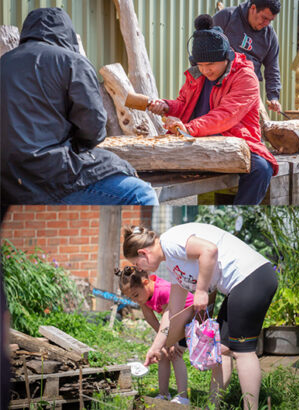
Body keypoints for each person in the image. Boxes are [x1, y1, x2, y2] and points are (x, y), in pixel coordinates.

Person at [0, 8, 158, 206]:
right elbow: (94, 129)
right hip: (49, 177)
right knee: (140, 194)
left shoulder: (4, 62)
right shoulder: (72, 62)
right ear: (66, 33)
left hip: (7, 182)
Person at [122, 223, 278, 410]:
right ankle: (213, 405)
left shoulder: (170, 241)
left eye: (137, 264)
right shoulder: (172, 264)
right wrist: (157, 346)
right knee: (222, 349)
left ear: (143, 253)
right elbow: (173, 311)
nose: (139, 269)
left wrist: (201, 291)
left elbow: (209, 250)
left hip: (251, 277)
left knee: (242, 351)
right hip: (239, 286)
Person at [148, 14, 278, 205]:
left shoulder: (245, 77)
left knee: (261, 169)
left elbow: (226, 116)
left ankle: (241, 210)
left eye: (210, 65)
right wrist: (166, 106)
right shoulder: (197, 75)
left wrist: (188, 128)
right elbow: (184, 104)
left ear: (226, 58)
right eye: (200, 65)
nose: (205, 70)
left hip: (235, 138)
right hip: (195, 137)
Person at [115, 266, 193, 405]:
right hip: (171, 322)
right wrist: (161, 342)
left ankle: (183, 397)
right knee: (162, 354)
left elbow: (171, 317)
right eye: (130, 297)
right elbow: (150, 318)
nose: (134, 300)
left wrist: (170, 341)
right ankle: (164, 394)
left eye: (135, 295)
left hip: (188, 318)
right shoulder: (144, 297)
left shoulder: (163, 291)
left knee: (175, 355)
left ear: (146, 282)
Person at [213, 0, 282, 113]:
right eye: (264, 18)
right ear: (253, 8)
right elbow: (203, 47)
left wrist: (273, 97)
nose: (266, 24)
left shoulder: (270, 36)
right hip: (219, 84)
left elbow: (272, 68)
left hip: (248, 88)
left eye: (270, 20)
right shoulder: (226, 17)